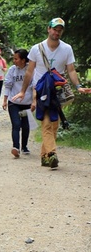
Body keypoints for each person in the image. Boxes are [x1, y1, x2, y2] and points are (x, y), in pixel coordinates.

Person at [13, 18, 91, 168]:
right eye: (54, 29)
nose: (57, 32)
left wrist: (78, 86)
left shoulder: (67, 48)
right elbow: (29, 72)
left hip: (57, 91)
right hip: (41, 90)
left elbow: (71, 70)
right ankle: (52, 154)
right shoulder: (37, 48)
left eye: (60, 30)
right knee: (47, 122)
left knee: (54, 123)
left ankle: (44, 156)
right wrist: (23, 91)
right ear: (48, 29)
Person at [2, 49, 33, 158]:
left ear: (23, 60)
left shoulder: (30, 70)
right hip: (14, 102)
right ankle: (16, 147)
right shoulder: (12, 70)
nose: (14, 61)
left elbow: (34, 87)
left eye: (16, 58)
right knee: (16, 124)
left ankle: (24, 146)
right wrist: (5, 100)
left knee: (25, 125)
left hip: (26, 103)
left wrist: (34, 101)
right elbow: (8, 85)